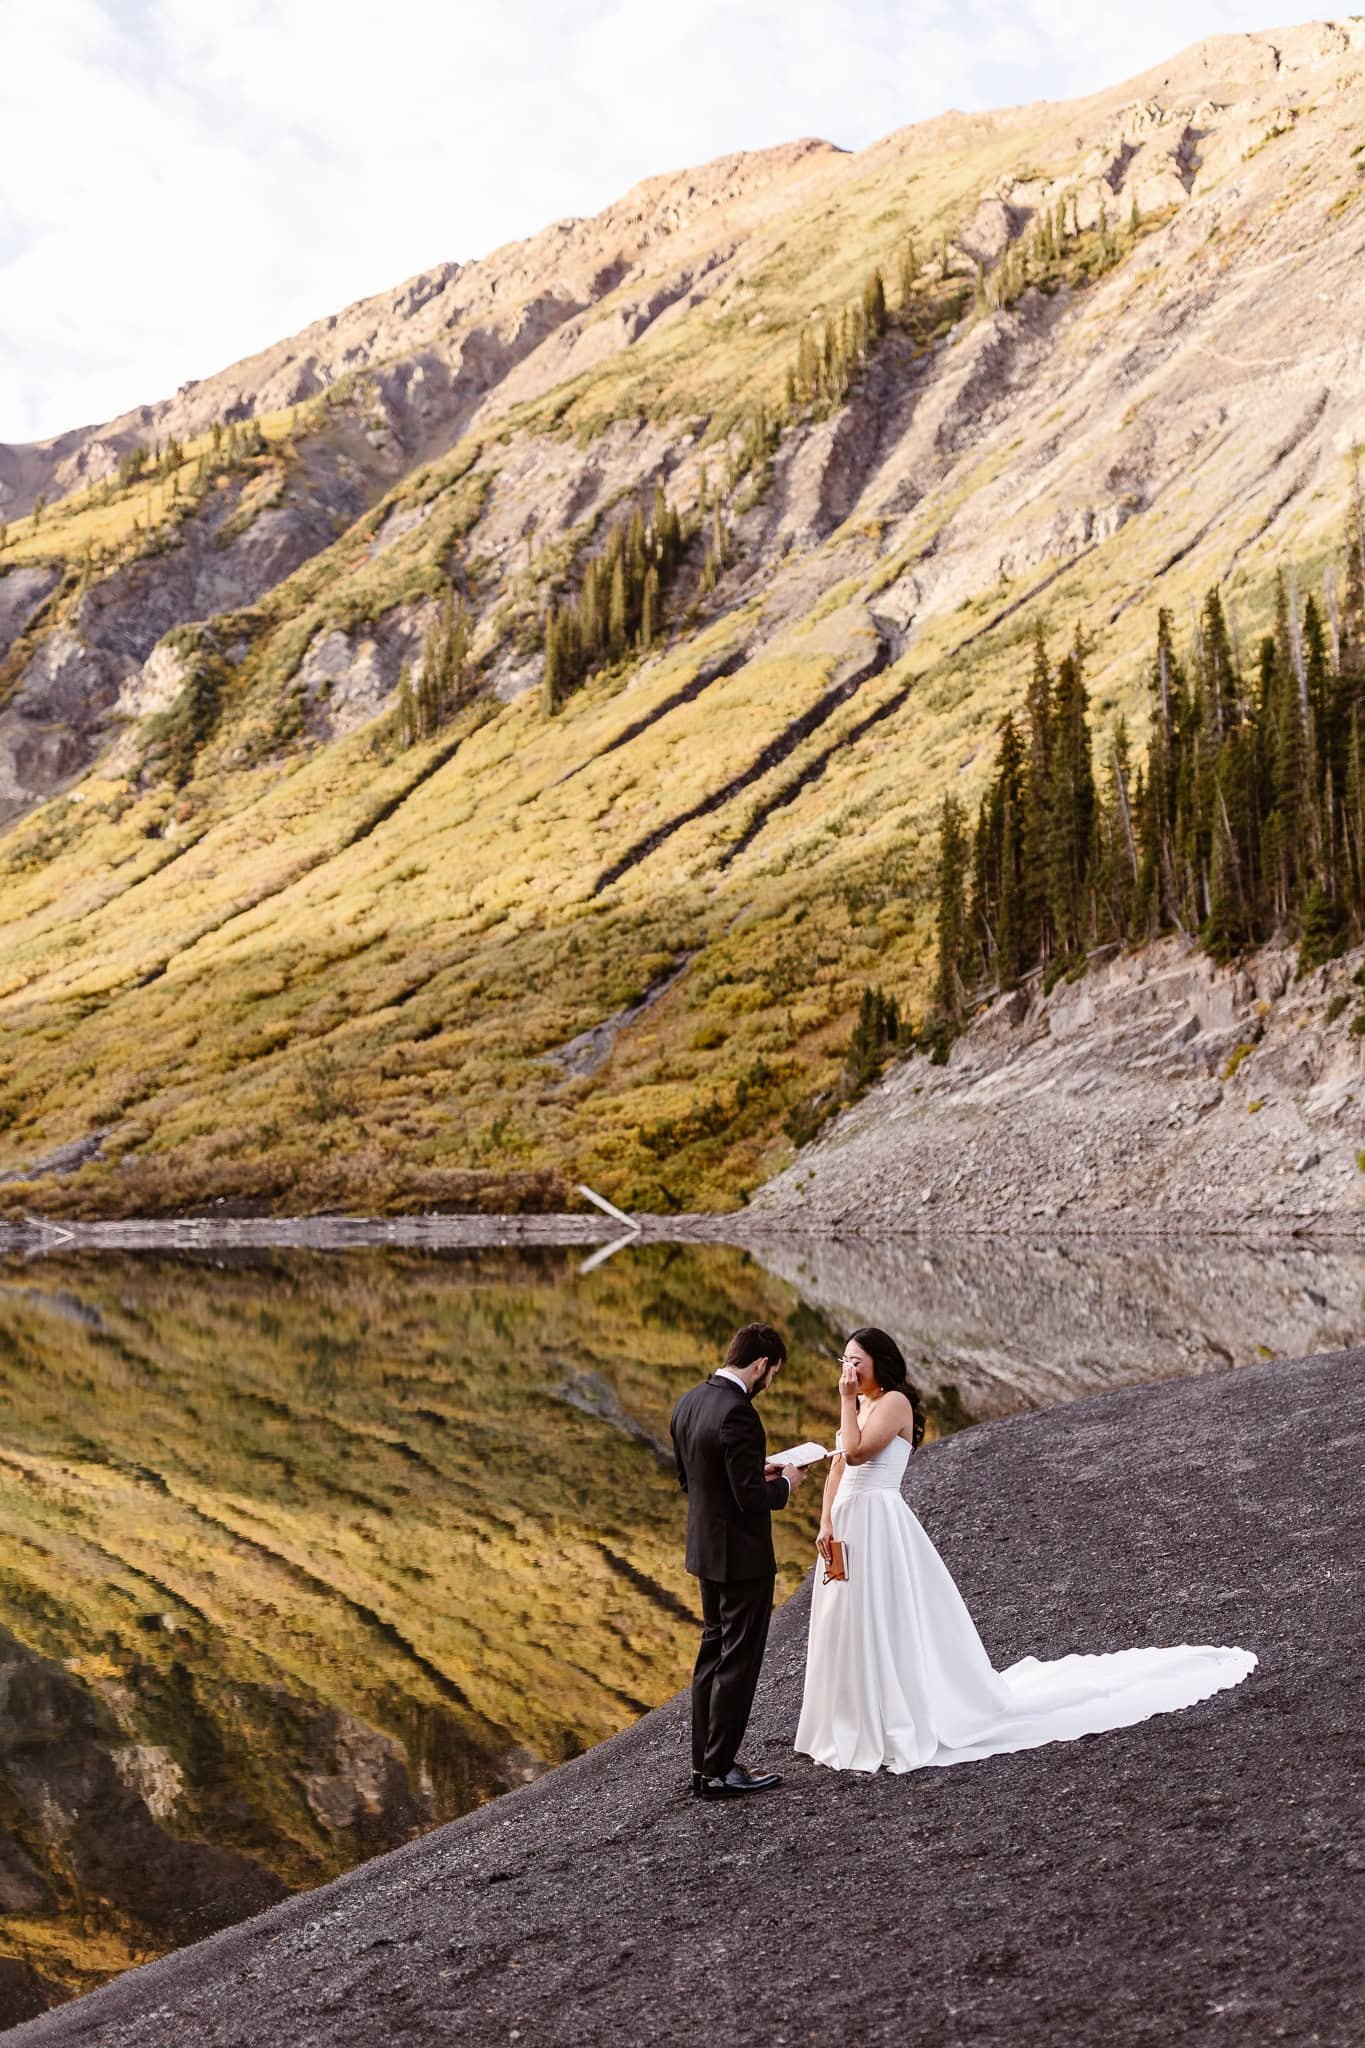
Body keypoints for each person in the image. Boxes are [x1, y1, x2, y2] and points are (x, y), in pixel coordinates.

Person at [795, 1327, 1256, 1773]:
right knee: (846, 1617)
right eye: (845, 1361)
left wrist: (845, 1398)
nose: (849, 1369)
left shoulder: (892, 1403)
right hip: (849, 1522)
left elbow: (855, 1454)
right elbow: (837, 1471)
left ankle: (893, 1716)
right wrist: (826, 1521)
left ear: (880, 1364)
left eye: (857, 1361)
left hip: (879, 1520)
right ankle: (850, 1720)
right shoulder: (864, 1404)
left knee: (883, 1615)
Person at [671, 1323, 804, 1799]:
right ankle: (721, 1769)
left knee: (711, 1654)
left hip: (705, 1552)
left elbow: (693, 1479)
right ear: (761, 1363)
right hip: (742, 1559)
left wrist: (754, 1468)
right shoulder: (739, 1414)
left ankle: (703, 1767)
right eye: (773, 1372)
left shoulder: (689, 1402)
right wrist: (786, 1482)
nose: (771, 1382)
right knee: (738, 1662)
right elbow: (750, 1499)